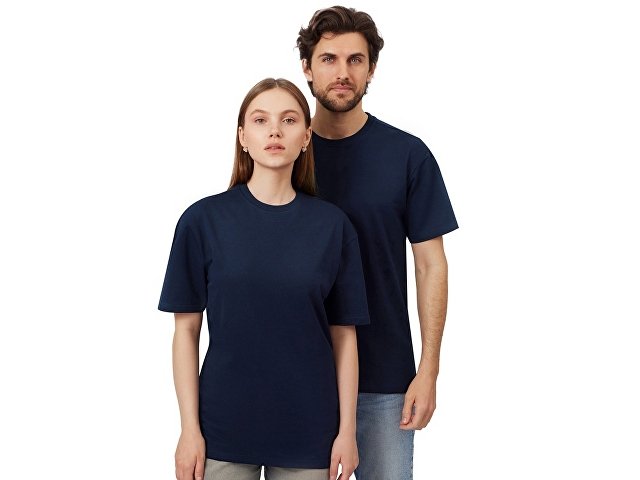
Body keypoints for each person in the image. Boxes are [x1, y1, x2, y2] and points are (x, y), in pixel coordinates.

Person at [158, 78, 370, 480]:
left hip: (310, 431)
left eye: (288, 120)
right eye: (260, 120)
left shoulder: (333, 227)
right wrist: (188, 430)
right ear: (243, 137)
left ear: (306, 137)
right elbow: (185, 331)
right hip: (221, 429)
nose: (274, 131)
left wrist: (347, 432)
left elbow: (345, 336)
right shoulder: (202, 221)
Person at [297, 7, 459, 479]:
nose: (342, 73)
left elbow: (431, 265)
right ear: (307, 68)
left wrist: (428, 370)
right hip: (298, 377)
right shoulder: (282, 152)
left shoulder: (407, 155)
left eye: (355, 60)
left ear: (371, 70)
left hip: (384, 378)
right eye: (328, 59)